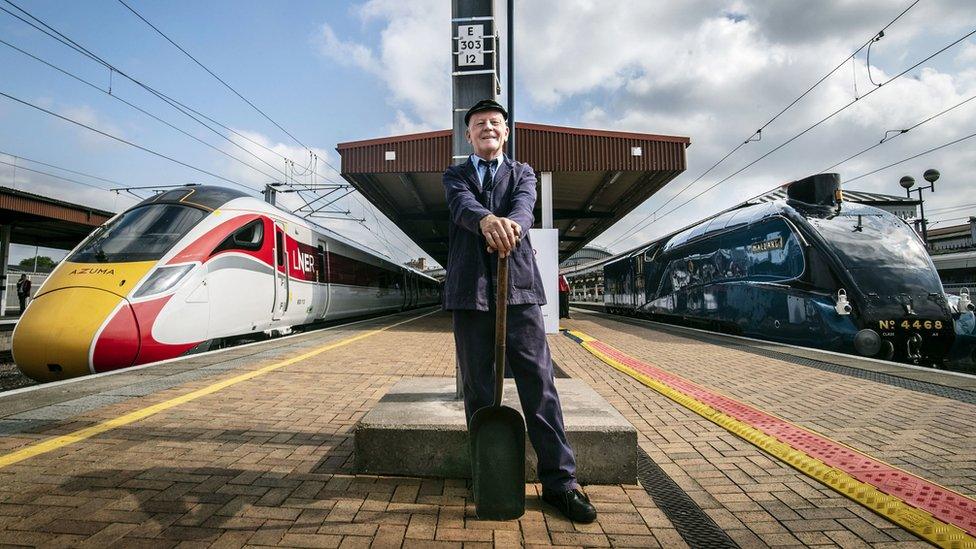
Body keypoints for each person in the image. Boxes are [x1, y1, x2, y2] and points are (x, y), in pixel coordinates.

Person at [442, 99, 596, 523]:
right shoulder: (455, 174)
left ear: (505, 132)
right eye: (479, 124)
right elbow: (461, 206)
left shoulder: (522, 172)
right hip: (470, 293)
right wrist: (486, 219)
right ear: (468, 135)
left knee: (539, 384)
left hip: (520, 293)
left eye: (495, 122)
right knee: (478, 387)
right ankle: (485, 474)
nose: (487, 127)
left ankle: (560, 484)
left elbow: (525, 207)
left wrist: (511, 224)